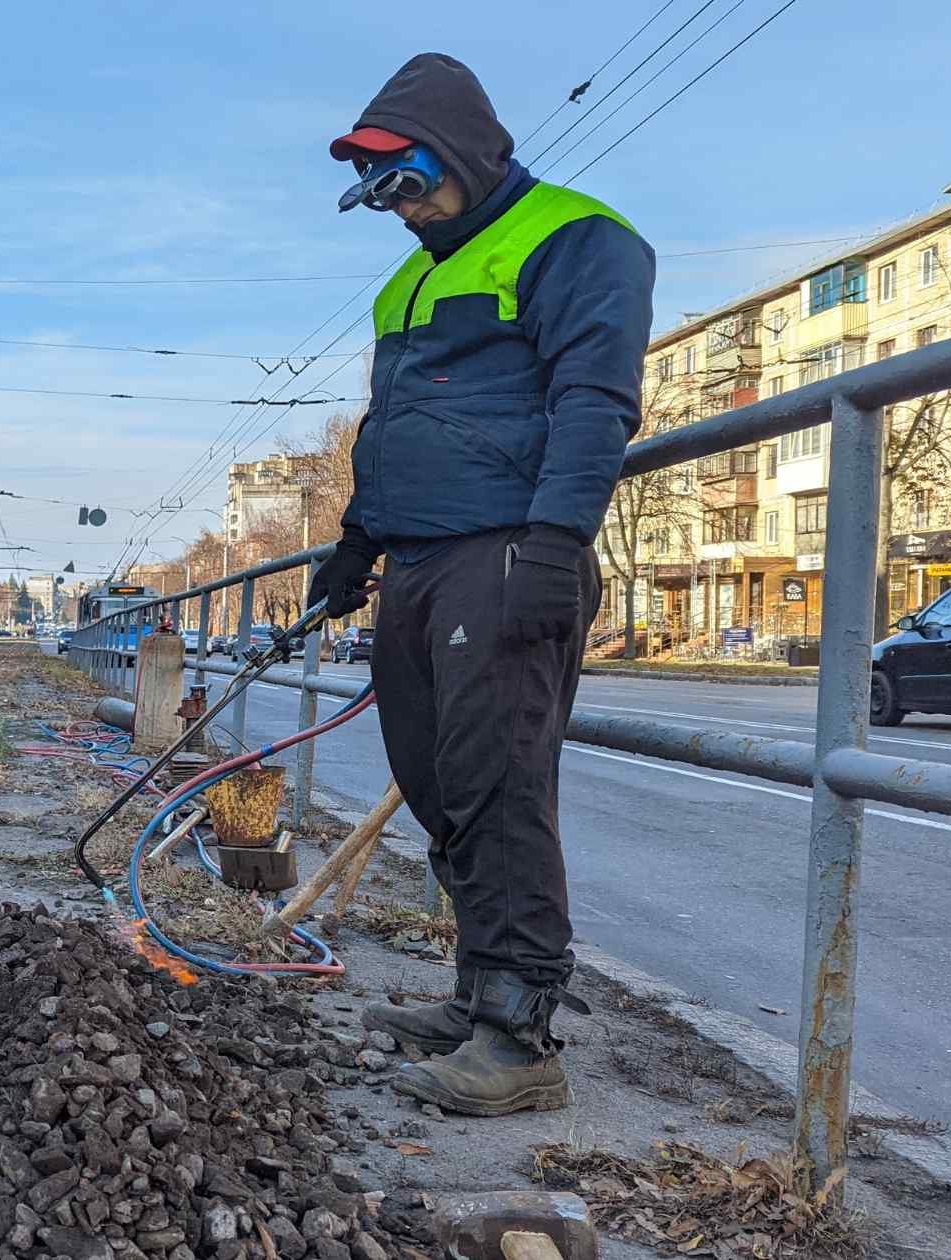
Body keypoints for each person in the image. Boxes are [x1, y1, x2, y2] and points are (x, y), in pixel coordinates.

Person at [305, 55, 654, 1117]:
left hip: (505, 551)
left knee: (497, 785)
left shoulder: (575, 236)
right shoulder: (403, 282)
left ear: (461, 151)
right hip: (415, 561)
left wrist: (555, 543)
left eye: (410, 183)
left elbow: (594, 401)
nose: (401, 211)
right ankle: (474, 995)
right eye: (383, 197)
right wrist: (354, 545)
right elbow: (392, 429)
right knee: (435, 779)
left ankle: (517, 1036)